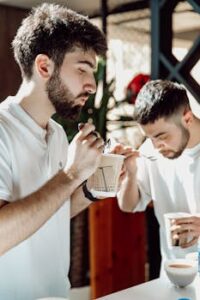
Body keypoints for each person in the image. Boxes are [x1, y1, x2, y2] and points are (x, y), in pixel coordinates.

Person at [0, 3, 107, 300]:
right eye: (82, 69)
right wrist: (71, 173)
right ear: (44, 66)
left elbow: (53, 214)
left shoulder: (58, 133)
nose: (92, 85)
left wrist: (92, 185)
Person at [115, 79, 200, 274]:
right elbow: (128, 205)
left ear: (187, 119)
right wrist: (131, 172)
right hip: (174, 274)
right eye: (149, 137)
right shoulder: (150, 151)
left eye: (162, 136)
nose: (155, 145)